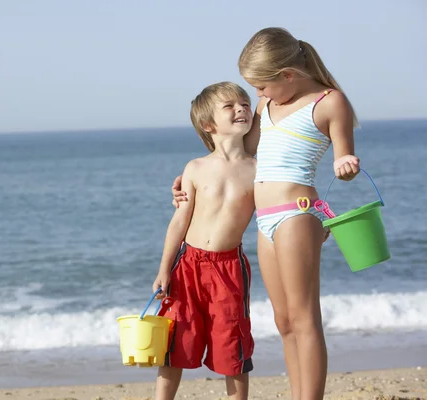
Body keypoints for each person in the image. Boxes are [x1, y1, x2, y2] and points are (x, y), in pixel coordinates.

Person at [172, 28, 361, 400]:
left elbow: (344, 157)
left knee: (305, 319)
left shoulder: (328, 102)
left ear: (287, 74)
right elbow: (239, 153)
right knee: (284, 321)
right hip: (266, 219)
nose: (257, 95)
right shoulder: (267, 107)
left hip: (297, 214)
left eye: (261, 86)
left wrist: (347, 164)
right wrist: (191, 178)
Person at [152, 81, 256, 400]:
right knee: (176, 338)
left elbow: (276, 210)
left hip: (229, 268)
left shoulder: (258, 169)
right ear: (209, 124)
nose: (241, 108)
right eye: (230, 106)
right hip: (189, 263)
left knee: (232, 342)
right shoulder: (195, 168)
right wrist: (164, 269)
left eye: (244, 103)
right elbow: (179, 221)